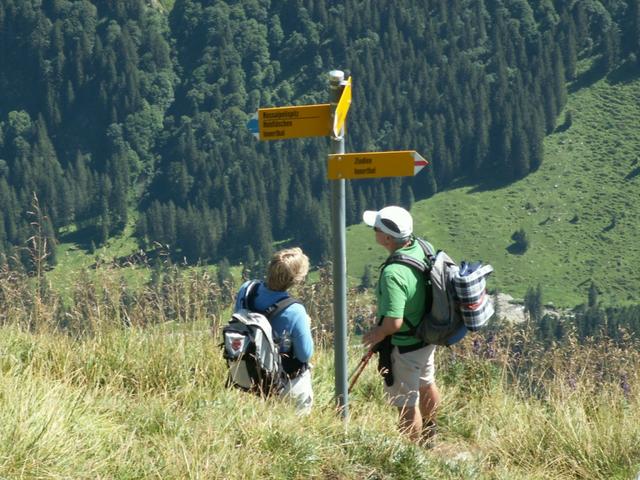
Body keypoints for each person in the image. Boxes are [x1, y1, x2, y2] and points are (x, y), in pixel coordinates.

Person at [361, 206, 441, 444]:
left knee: (406, 403)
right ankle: (430, 433)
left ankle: (410, 453)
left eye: (375, 228)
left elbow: (394, 322)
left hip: (405, 344)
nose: (373, 230)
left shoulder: (393, 273)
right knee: (427, 383)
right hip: (427, 334)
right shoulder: (422, 247)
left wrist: (376, 334)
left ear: (387, 238)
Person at [234, 247, 314, 414]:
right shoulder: (295, 310)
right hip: (282, 383)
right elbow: (304, 354)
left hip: (246, 378)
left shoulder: (247, 290)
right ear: (296, 280)